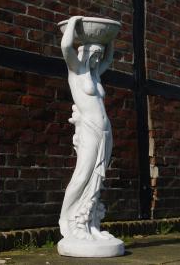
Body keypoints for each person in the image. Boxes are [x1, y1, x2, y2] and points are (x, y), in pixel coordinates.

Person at [59, 16, 115, 241]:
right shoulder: (76, 72)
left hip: (105, 130)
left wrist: (109, 38)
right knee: (82, 175)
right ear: (85, 53)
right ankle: (68, 220)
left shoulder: (95, 74)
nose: (98, 59)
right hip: (90, 129)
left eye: (98, 55)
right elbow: (65, 46)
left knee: (97, 179)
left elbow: (110, 59)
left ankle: (91, 225)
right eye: (95, 54)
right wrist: (74, 22)